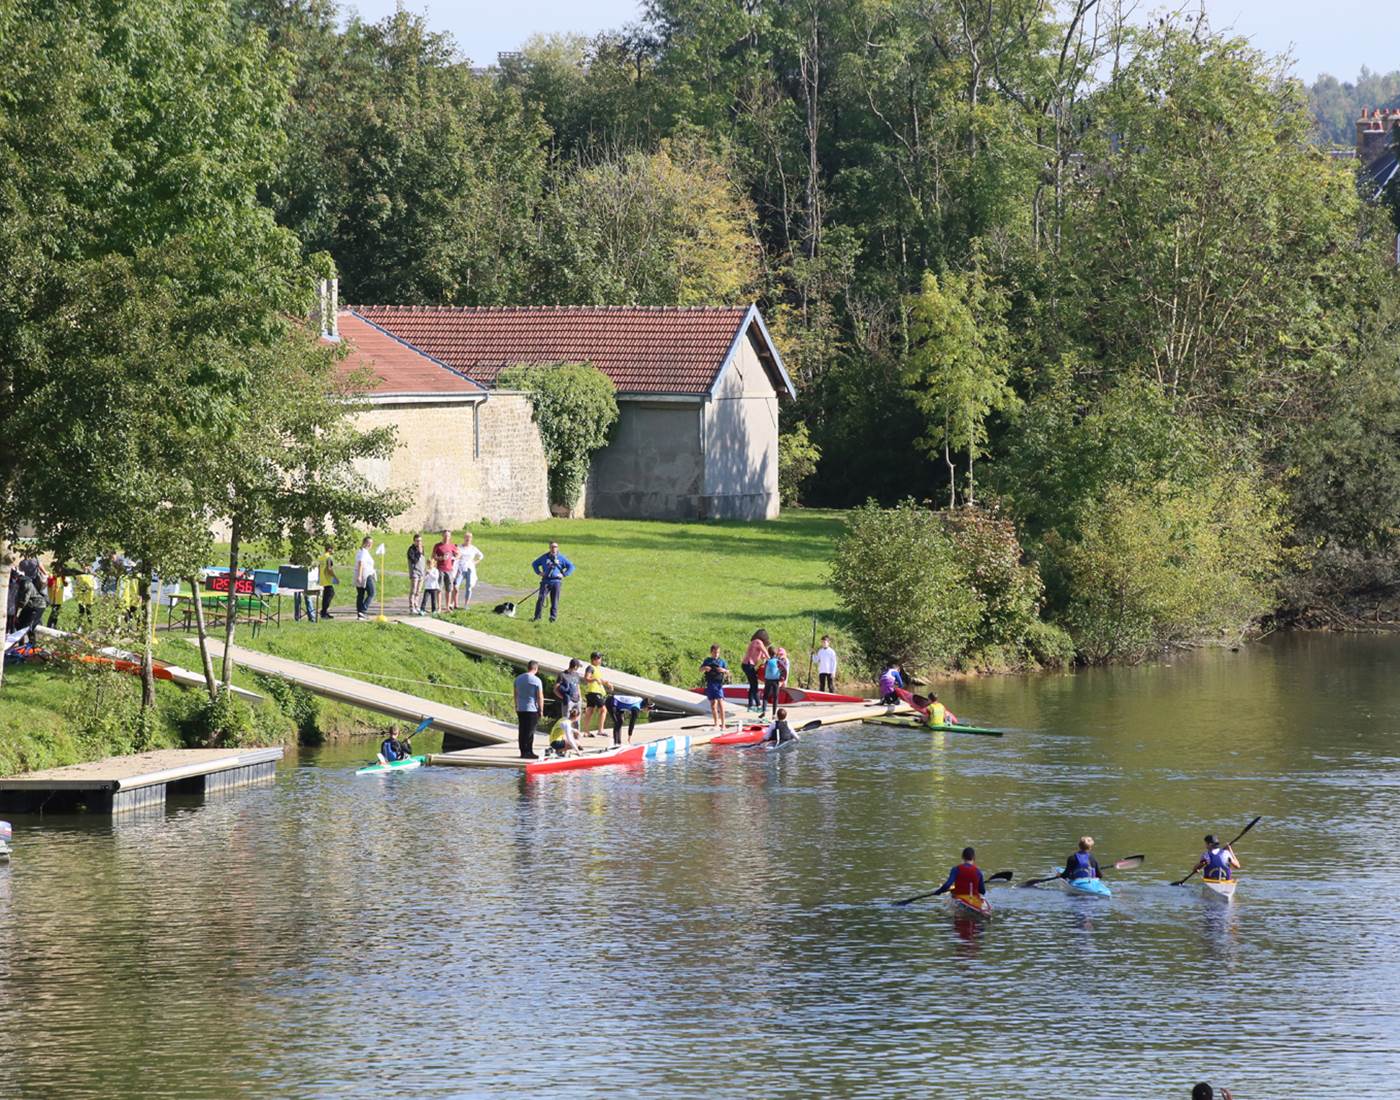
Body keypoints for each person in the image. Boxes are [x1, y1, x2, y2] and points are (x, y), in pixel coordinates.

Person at [531, 540, 574, 622]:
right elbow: (534, 564)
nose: (554, 548)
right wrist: (539, 572)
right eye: (552, 547)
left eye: (555, 547)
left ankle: (553, 617)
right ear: (549, 548)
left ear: (558, 548)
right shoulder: (544, 557)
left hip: (556, 582)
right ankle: (537, 617)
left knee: (554, 600)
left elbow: (571, 566)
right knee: (541, 599)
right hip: (545, 581)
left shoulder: (561, 558)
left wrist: (564, 574)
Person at [514, 659, 545, 759]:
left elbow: (515, 694)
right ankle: (529, 751)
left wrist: (516, 706)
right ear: (536, 668)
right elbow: (540, 696)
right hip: (531, 709)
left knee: (522, 730)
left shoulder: (518, 679)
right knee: (530, 731)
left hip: (521, 708)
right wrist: (541, 710)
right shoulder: (537, 680)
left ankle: (523, 751)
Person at [700, 643, 730, 729]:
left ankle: (723, 724)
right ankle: (716, 723)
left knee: (720, 703)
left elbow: (728, 672)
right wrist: (705, 668)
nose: (716, 654)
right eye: (714, 652)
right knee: (713, 705)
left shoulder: (722, 661)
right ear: (711, 652)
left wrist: (723, 670)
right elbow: (700, 669)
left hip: (718, 684)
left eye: (718, 652)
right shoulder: (707, 660)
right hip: (710, 684)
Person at [582, 652, 611, 737]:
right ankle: (600, 730)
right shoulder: (590, 667)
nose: (600, 660)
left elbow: (599, 680)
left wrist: (607, 683)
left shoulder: (597, 668)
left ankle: (586, 732)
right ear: (594, 659)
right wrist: (594, 679)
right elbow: (586, 678)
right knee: (603, 710)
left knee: (590, 711)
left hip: (593, 692)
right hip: (594, 692)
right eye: (599, 658)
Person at [741, 630, 771, 711]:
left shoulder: (754, 643)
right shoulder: (758, 641)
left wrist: (764, 659)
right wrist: (772, 660)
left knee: (752, 685)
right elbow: (766, 653)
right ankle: (758, 705)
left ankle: (750, 705)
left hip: (748, 665)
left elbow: (762, 656)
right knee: (754, 685)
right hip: (748, 665)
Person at [432, 529, 459, 612]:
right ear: (442, 536)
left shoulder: (452, 546)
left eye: (448, 536)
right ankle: (439, 607)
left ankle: (447, 607)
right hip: (440, 569)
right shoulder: (437, 546)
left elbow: (458, 554)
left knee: (449, 589)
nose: (446, 537)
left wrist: (454, 558)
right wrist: (440, 558)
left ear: (450, 537)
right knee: (439, 589)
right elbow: (433, 556)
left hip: (449, 570)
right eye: (445, 535)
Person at [455, 531, 483, 607]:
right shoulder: (459, 547)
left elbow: (481, 555)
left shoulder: (473, 548)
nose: (468, 539)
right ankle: (455, 603)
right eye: (466, 537)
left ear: (471, 539)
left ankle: (466, 604)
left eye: (470, 537)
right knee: (456, 585)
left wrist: (475, 562)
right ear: (464, 538)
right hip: (460, 568)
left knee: (468, 587)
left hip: (470, 569)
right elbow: (455, 555)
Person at [354, 536, 376, 620]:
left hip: (361, 575)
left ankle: (360, 613)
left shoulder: (361, 551)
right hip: (365, 575)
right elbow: (361, 563)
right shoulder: (363, 552)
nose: (370, 545)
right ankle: (363, 610)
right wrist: (359, 576)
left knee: (361, 594)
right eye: (368, 543)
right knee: (372, 593)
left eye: (371, 543)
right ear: (364, 543)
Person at [761, 648, 784, 718]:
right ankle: (774, 715)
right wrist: (782, 678)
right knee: (775, 697)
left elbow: (764, 669)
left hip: (768, 680)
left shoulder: (767, 661)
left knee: (765, 696)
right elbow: (783, 669)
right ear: (775, 653)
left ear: (769, 653)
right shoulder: (778, 661)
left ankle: (763, 712)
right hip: (775, 681)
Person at [407, 534, 426, 614]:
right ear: (414, 541)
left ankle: (416, 605)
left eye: (420, 541)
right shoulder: (411, 550)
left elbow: (423, 560)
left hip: (421, 572)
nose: (419, 542)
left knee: (419, 591)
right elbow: (414, 560)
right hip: (414, 572)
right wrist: (419, 552)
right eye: (417, 541)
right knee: (413, 590)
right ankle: (411, 607)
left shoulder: (422, 548)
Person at [319, 545, 339, 619]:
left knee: (326, 596)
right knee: (330, 594)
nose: (334, 551)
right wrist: (335, 577)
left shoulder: (322, 557)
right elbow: (329, 569)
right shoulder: (328, 558)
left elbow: (319, 567)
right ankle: (323, 612)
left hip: (322, 578)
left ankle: (324, 612)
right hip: (327, 580)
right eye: (333, 549)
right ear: (329, 549)